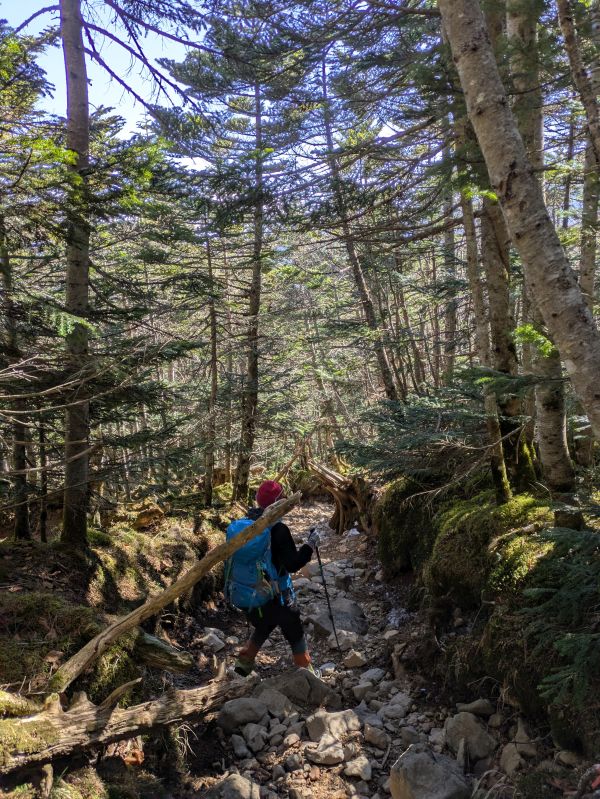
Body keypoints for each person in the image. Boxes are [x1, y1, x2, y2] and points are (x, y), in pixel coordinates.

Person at [230, 479, 320, 676]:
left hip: (250, 596)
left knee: (264, 624)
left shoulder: (246, 523)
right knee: (294, 631)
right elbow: (292, 564)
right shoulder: (277, 530)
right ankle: (307, 674)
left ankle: (242, 666)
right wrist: (311, 544)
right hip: (277, 595)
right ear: (279, 503)